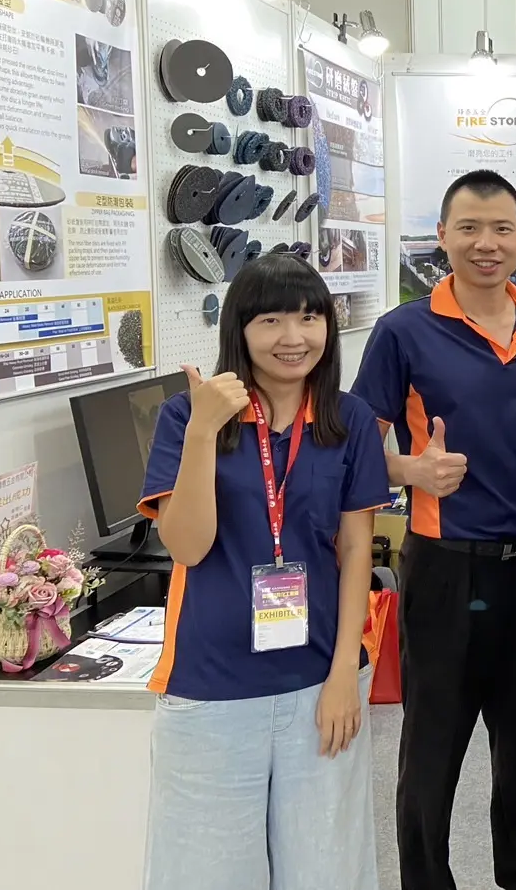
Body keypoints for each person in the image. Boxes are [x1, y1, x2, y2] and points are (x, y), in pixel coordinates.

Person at [137, 254, 391, 890]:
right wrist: (203, 432)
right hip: (211, 685)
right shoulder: (185, 417)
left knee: (326, 869)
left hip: (318, 678)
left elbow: (356, 550)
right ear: (240, 329)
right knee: (206, 873)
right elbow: (187, 546)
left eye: (309, 318)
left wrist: (344, 674)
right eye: (271, 320)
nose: (293, 337)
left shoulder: (348, 420)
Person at [352, 170, 516, 890]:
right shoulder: (403, 330)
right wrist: (410, 469)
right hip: (445, 568)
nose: (486, 243)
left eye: (502, 228)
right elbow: (355, 451)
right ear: (442, 236)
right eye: (469, 228)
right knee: (431, 749)